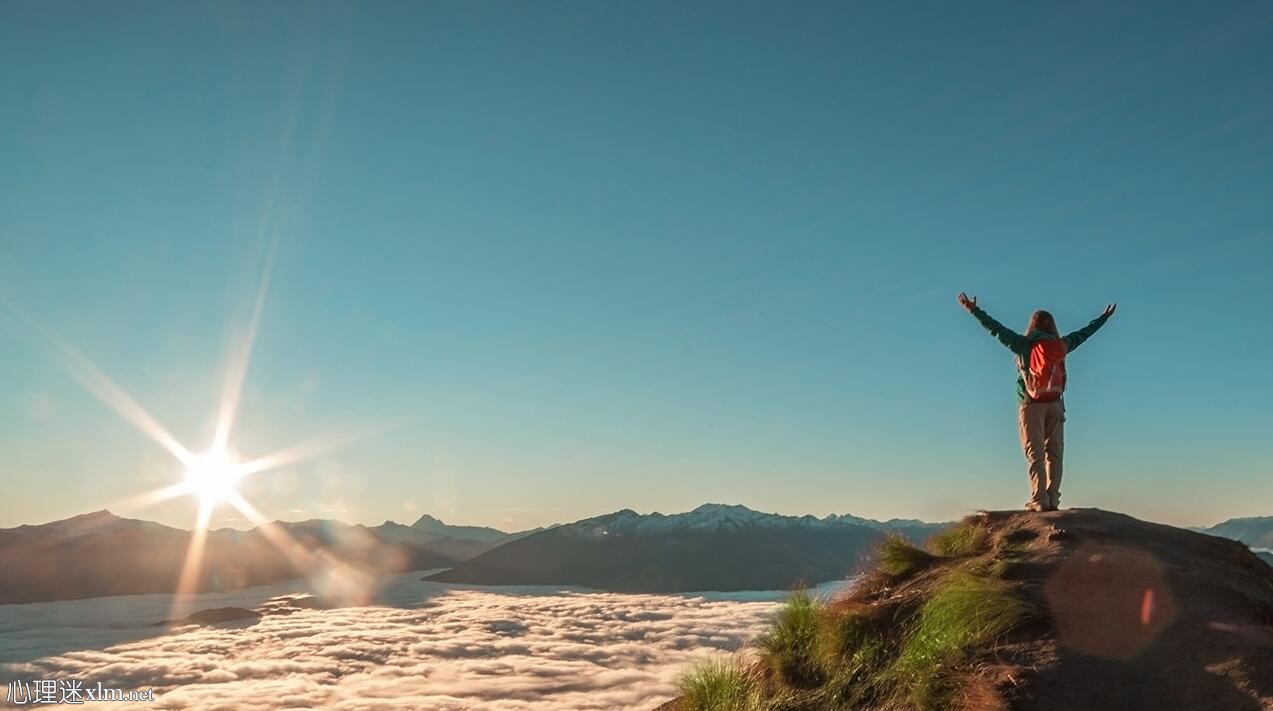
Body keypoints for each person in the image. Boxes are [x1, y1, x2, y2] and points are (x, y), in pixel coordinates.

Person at [957, 293, 1116, 512]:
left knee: (1036, 454)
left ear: (1032, 325)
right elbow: (1082, 335)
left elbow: (996, 329)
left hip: (1030, 403)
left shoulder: (1023, 345)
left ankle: (1039, 499)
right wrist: (1103, 319)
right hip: (1055, 403)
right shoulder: (1061, 345)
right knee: (1055, 454)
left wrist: (974, 310)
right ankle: (1053, 499)